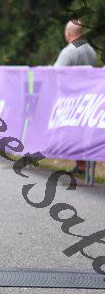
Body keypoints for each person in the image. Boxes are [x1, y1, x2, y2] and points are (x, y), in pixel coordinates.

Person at [54, 19, 97, 176]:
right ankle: (83, 166)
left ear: (68, 33)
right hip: (88, 99)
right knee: (83, 134)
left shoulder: (69, 51)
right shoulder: (91, 51)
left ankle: (81, 166)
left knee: (73, 134)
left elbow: (55, 74)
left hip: (71, 100)